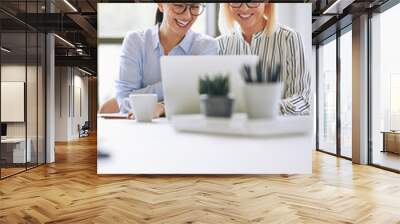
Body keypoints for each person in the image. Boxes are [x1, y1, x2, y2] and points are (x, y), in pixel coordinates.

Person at [115, 3, 218, 117]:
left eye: (194, 7)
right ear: (160, 4)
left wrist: (163, 107)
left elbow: (202, 102)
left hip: (187, 129)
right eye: (179, 5)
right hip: (141, 127)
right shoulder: (135, 41)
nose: (187, 16)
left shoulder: (207, 46)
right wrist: (180, 81)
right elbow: (124, 100)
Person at [218, 3, 311, 115]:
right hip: (233, 130)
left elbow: (302, 99)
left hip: (275, 130)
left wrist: (267, 108)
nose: (244, 8)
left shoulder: (289, 38)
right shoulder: (219, 45)